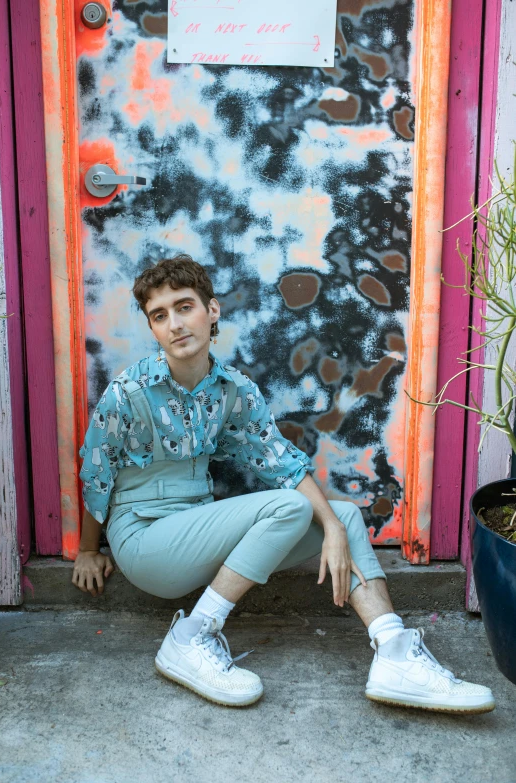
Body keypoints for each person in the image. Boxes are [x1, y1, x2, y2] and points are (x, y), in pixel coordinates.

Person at [73, 254, 495, 713]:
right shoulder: (130, 391)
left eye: (185, 306)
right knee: (293, 509)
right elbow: (98, 470)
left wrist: (332, 527)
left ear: (211, 311)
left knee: (345, 515)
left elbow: (281, 462)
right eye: (160, 315)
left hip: (195, 528)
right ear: (152, 328)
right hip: (146, 540)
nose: (175, 324)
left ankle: (393, 652)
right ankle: (191, 636)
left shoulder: (233, 391)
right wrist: (87, 549)